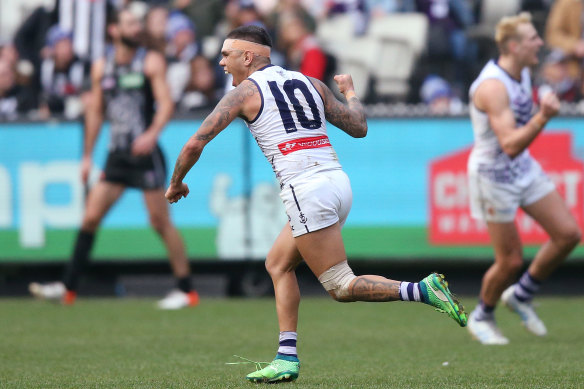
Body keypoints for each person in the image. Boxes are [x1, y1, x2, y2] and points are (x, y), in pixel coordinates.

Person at [165, 25, 467, 383]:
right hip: (337, 183)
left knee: (341, 286)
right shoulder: (312, 83)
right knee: (277, 263)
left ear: (248, 57)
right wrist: (351, 92)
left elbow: (194, 144)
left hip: (305, 189)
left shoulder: (244, 93)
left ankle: (421, 290)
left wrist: (176, 183)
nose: (221, 62)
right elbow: (358, 127)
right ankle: (286, 357)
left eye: (227, 55)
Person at [29, 7, 199, 310]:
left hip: (146, 155)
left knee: (160, 221)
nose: (136, 28)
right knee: (91, 217)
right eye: (130, 23)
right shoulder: (101, 67)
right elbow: (95, 112)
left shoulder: (149, 60)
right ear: (113, 30)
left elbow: (166, 104)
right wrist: (86, 156)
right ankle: (68, 288)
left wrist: (152, 133)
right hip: (116, 155)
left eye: (137, 23)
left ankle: (186, 291)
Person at [466, 12, 581, 345]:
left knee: (568, 234)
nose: (540, 43)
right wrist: (543, 116)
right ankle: (482, 314)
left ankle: (521, 295)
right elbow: (511, 144)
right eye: (533, 38)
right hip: (493, 177)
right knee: (511, 260)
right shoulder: (492, 87)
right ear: (514, 46)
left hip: (522, 169)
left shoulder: (523, 71)